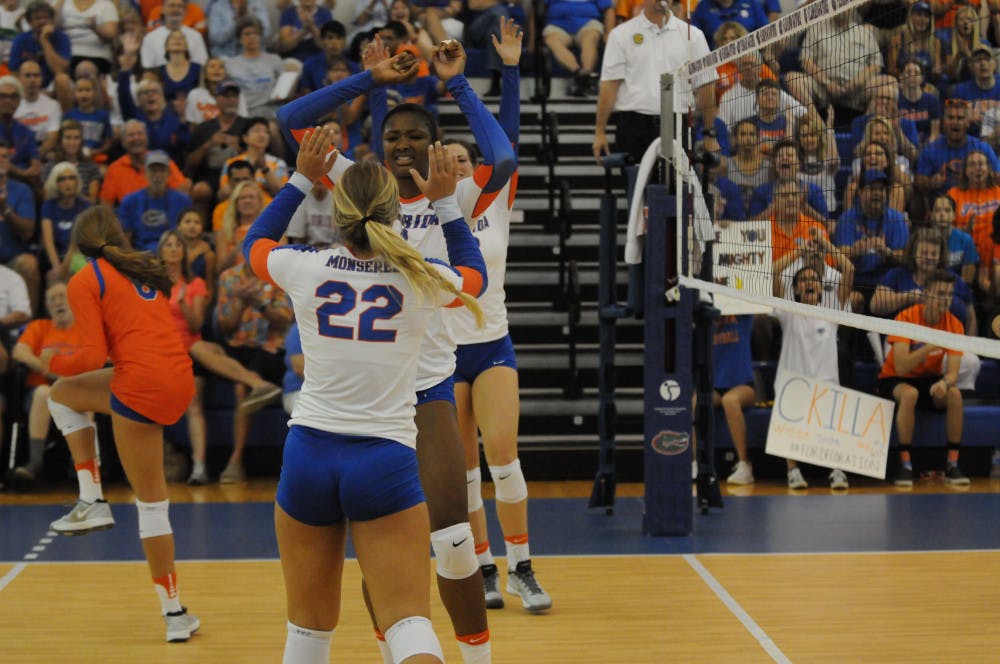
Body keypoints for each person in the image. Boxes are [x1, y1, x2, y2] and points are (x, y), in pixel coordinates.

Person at [278, 41, 516, 662]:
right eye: (393, 136)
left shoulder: (453, 195)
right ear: (380, 146)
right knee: (378, 547)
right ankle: (397, 649)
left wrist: (458, 83)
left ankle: (476, 655)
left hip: (428, 391)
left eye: (416, 136)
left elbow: (503, 156)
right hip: (366, 407)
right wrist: (370, 78)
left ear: (435, 147)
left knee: (455, 541)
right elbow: (291, 120)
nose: (403, 144)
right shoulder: (363, 188)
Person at [244, 125, 486, 664]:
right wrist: (446, 203)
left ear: (339, 213)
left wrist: (300, 180)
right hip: (382, 459)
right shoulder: (420, 279)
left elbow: (255, 243)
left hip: (308, 454)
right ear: (395, 213)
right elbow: (475, 278)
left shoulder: (304, 267)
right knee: (409, 625)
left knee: (307, 633)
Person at [42, 205, 200, 642]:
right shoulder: (142, 268)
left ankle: (174, 614)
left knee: (151, 507)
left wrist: (53, 360)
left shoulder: (85, 279)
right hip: (179, 379)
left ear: (78, 245)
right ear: (118, 235)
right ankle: (91, 498)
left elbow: (91, 356)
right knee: (62, 395)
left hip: (142, 386)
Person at [440, 19, 550, 612]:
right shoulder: (428, 213)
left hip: (491, 343)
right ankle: (483, 567)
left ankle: (521, 567)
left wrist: (510, 70)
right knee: (462, 473)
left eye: (466, 158)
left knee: (502, 455)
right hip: (443, 352)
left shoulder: (495, 197)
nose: (460, 165)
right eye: (450, 160)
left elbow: (506, 140)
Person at [157, 229, 281, 485]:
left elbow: (196, 325)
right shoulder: (152, 286)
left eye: (177, 244)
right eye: (168, 244)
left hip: (204, 347)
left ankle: (201, 467)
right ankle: (258, 384)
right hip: (165, 349)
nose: (173, 249)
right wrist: (241, 303)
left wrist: (183, 305)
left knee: (199, 364)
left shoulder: (195, 284)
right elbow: (225, 329)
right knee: (204, 349)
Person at [592, 0, 718, 165]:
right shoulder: (621, 34)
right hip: (633, 125)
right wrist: (599, 132)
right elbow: (609, 85)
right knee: (636, 180)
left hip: (678, 124)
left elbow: (706, 85)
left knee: (678, 180)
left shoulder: (693, 35)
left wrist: (709, 133)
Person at [877, 269, 970, 487]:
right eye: (940, 294)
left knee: (955, 394)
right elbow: (901, 367)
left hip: (929, 379)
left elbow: (953, 372)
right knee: (910, 394)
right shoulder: (906, 318)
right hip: (895, 378)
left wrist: (944, 383)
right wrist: (928, 346)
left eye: (949, 294)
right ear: (927, 294)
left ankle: (952, 465)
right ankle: (905, 465)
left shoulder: (954, 324)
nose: (946, 300)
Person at [10, 279, 82, 484]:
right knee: (44, 393)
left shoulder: (86, 328)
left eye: (62, 297)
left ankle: (82, 462)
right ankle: (35, 464)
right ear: (47, 306)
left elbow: (104, 357)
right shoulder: (39, 327)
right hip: (41, 391)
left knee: (86, 396)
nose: (57, 302)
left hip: (76, 386)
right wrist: (49, 370)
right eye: (52, 299)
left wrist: (70, 373)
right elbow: (19, 352)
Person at [99, 119, 190, 207]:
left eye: (140, 133)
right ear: (122, 142)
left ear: (147, 138)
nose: (136, 138)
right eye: (131, 135)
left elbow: (181, 191)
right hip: (129, 215)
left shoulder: (163, 162)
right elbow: (106, 204)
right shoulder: (114, 169)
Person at [118, 150, 192, 252]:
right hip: (141, 255)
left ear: (169, 174)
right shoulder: (129, 201)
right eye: (153, 170)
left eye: (162, 170)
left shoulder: (183, 201)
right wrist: (135, 259)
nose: (157, 175)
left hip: (175, 253)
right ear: (145, 173)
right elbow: (125, 239)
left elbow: (189, 237)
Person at [40, 161, 91, 277]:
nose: (67, 182)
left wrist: (64, 269)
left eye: (71, 178)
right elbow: (49, 242)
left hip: (79, 255)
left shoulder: (85, 206)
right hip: (55, 258)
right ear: (55, 183)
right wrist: (57, 268)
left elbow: (82, 243)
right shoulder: (48, 206)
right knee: (53, 277)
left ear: (77, 182)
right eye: (62, 179)